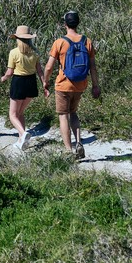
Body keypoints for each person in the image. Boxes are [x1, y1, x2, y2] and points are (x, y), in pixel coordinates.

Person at [43, 10, 101, 158]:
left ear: (65, 24)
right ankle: (79, 142)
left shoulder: (60, 42)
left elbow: (49, 67)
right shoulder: (87, 41)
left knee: (63, 115)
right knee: (73, 113)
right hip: (80, 84)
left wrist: (45, 81)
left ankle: (69, 150)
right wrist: (95, 85)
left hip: (63, 85)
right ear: (78, 23)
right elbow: (93, 66)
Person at [0, 25, 45, 149]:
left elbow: (9, 72)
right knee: (20, 112)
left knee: (13, 114)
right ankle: (22, 140)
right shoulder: (35, 53)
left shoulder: (14, 52)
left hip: (18, 82)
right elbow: (40, 71)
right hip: (31, 83)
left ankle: (23, 133)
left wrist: (3, 78)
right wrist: (45, 85)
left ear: (18, 39)